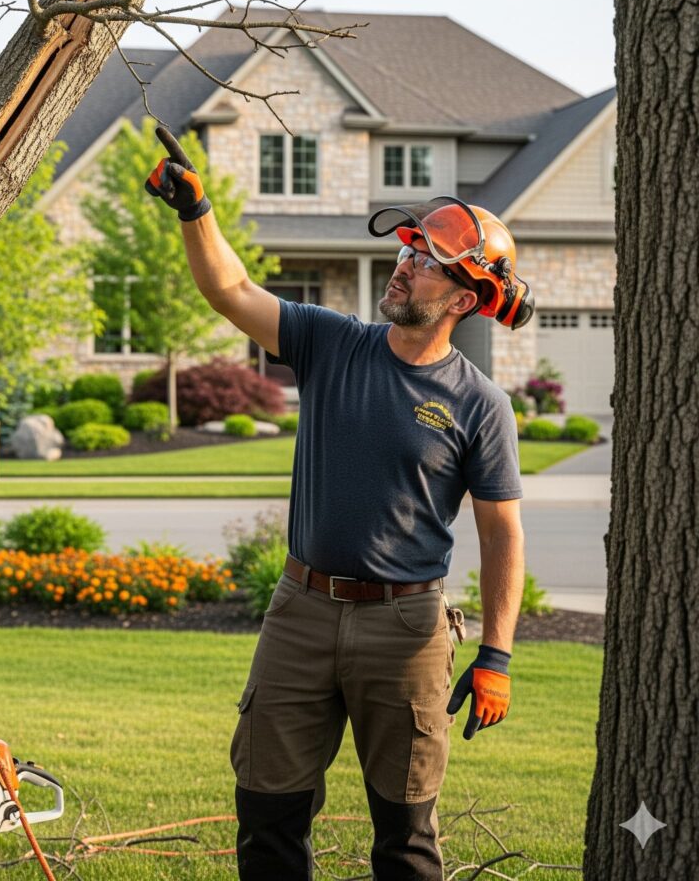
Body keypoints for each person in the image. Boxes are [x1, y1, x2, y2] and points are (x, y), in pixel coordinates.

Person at [145, 127, 532, 881]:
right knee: (267, 818)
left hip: (407, 629)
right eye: (409, 251)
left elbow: (503, 535)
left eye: (427, 262)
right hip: (301, 611)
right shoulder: (332, 342)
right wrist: (196, 212)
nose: (405, 265)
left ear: (463, 298)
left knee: (406, 837)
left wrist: (496, 657)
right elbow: (231, 290)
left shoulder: (481, 404)